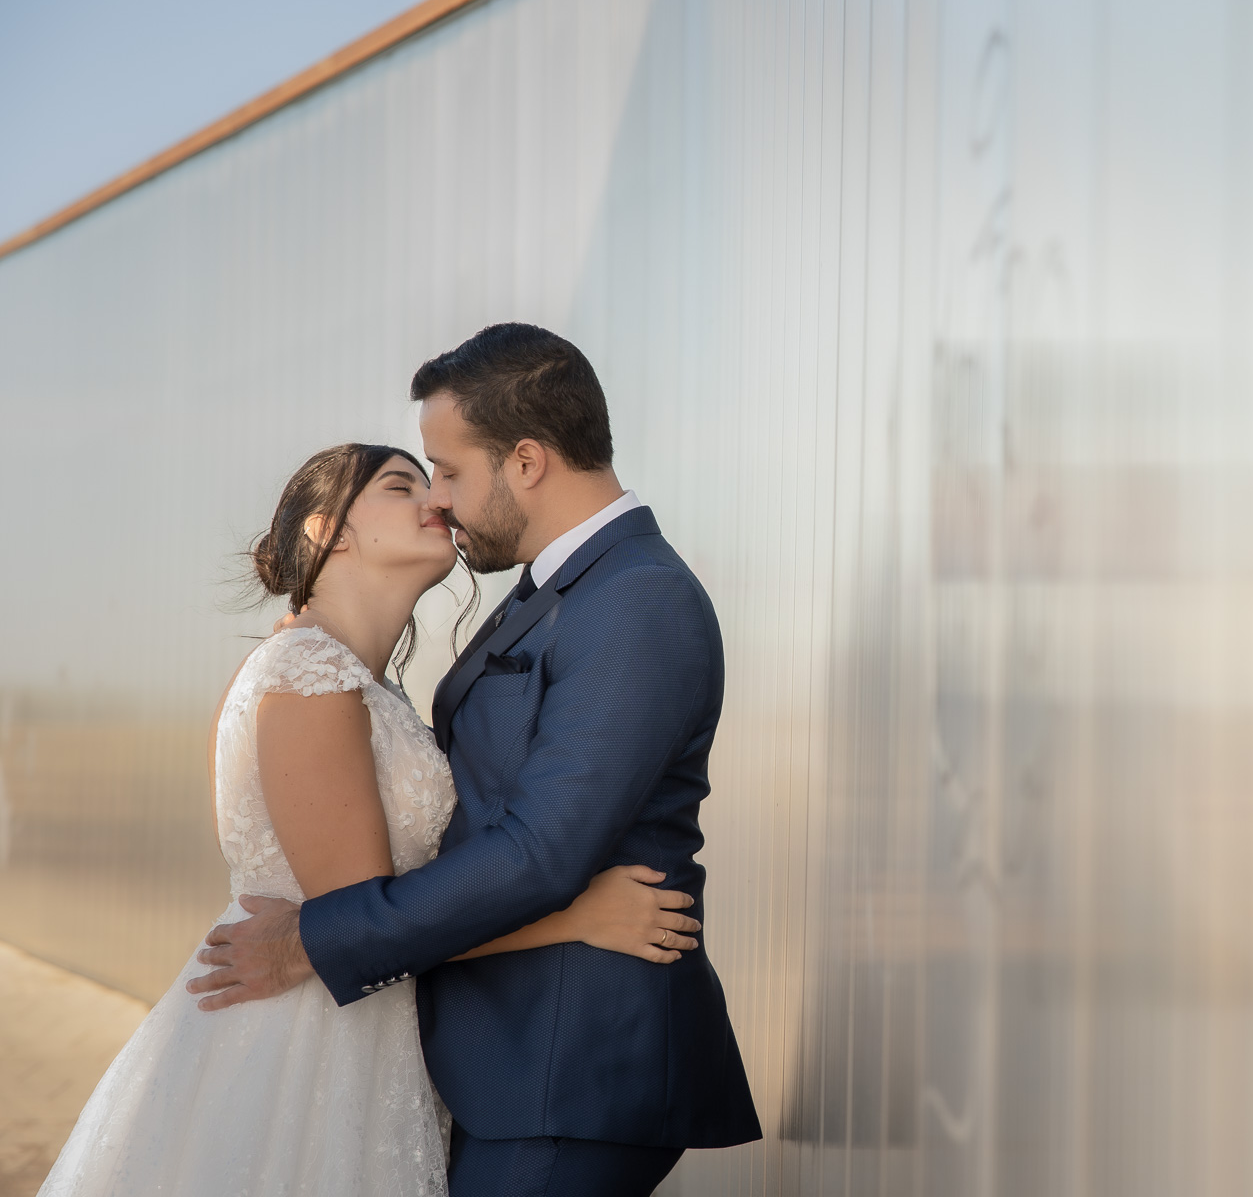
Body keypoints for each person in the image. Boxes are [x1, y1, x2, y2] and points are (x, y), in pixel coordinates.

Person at [189, 324, 762, 1196]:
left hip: (570, 1065)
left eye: (448, 471)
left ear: (526, 462)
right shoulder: (551, 591)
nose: (440, 502)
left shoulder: (636, 598)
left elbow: (539, 852)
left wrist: (311, 942)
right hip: (502, 1059)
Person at [41, 442, 701, 1196]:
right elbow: (360, 916)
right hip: (304, 1042)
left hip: (362, 1026)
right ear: (329, 532)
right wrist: (580, 916)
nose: (438, 502)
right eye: (402, 485)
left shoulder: (360, 685)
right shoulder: (307, 678)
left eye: (437, 481)